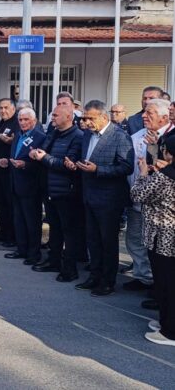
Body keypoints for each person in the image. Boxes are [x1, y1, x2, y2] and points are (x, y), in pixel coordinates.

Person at [73, 100, 134, 296]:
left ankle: (108, 281)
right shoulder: (87, 136)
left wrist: (98, 170)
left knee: (107, 241)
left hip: (109, 199)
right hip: (89, 195)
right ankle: (94, 275)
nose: (87, 122)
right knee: (92, 239)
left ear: (104, 117)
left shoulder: (120, 136)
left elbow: (126, 167)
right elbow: (86, 159)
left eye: (91, 118)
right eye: (84, 118)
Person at [30, 104, 85, 281]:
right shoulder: (54, 132)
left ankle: (69, 269)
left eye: (55, 115)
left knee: (69, 232)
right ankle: (53, 261)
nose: (52, 118)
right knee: (55, 228)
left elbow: (69, 164)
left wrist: (44, 157)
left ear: (69, 117)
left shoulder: (78, 137)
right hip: (50, 188)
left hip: (66, 191)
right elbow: (45, 152)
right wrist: (36, 153)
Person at [123, 98, 171, 293]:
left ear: (164, 117)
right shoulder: (139, 135)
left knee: (160, 251)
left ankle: (158, 288)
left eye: (149, 113)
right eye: (144, 111)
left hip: (163, 210)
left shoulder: (170, 137)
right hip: (139, 199)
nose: (143, 116)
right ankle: (143, 277)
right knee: (136, 240)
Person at [131, 135, 175, 346]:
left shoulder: (164, 177)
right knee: (168, 282)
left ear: (169, 154)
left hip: (162, 236)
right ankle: (165, 321)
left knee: (166, 283)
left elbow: (138, 194)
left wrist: (143, 173)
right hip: (168, 235)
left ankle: (170, 331)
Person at [1, 108, 46, 265]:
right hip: (15, 183)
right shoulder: (18, 135)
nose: (23, 122)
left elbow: (42, 163)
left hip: (31, 185)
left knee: (32, 221)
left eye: (26, 120)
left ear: (33, 121)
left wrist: (25, 165)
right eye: (20, 120)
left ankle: (34, 254)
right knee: (19, 219)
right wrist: (8, 160)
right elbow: (16, 155)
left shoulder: (40, 137)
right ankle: (21, 249)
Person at [0, 98, 19, 247]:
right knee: (0, 204)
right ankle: (4, 232)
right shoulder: (0, 124)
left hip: (11, 172)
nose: (3, 111)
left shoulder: (16, 123)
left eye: (6, 107)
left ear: (13, 108)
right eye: (0, 108)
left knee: (10, 204)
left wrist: (8, 158)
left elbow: (19, 145)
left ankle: (12, 236)